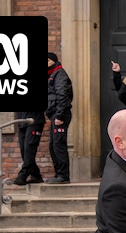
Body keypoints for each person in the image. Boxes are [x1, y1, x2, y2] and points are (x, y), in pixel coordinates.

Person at [45, 52, 72, 184]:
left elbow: (63, 95)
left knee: (58, 145)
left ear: (51, 61)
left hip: (60, 115)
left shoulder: (59, 74)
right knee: (53, 145)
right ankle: (58, 174)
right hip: (54, 114)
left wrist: (60, 115)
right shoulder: (52, 74)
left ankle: (63, 175)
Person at [11, 110, 45, 185]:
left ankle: (23, 175)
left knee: (29, 148)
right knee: (24, 150)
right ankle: (36, 175)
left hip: (34, 121)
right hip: (22, 121)